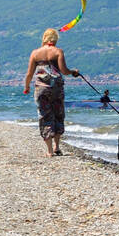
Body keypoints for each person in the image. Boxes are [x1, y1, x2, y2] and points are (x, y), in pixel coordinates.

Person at [23, 28, 81, 157]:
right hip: (57, 88)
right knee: (58, 114)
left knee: (45, 116)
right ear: (55, 39)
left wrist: (26, 87)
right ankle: (57, 147)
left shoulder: (35, 53)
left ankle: (49, 151)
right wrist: (73, 72)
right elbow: (64, 71)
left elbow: (29, 73)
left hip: (41, 89)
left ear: (44, 38)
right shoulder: (58, 52)